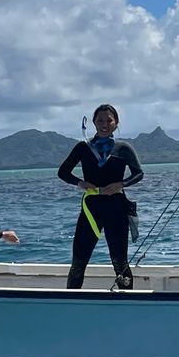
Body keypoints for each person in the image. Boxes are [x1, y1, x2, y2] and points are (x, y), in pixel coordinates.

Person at [58, 103, 144, 289]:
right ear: (94, 123)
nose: (104, 124)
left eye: (109, 120)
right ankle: (71, 301)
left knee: (120, 262)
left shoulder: (123, 148)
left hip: (116, 207)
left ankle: (128, 303)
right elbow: (63, 172)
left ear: (116, 123)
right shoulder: (83, 147)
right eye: (100, 120)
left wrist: (121, 184)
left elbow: (138, 173)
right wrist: (80, 183)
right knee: (79, 262)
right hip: (91, 209)